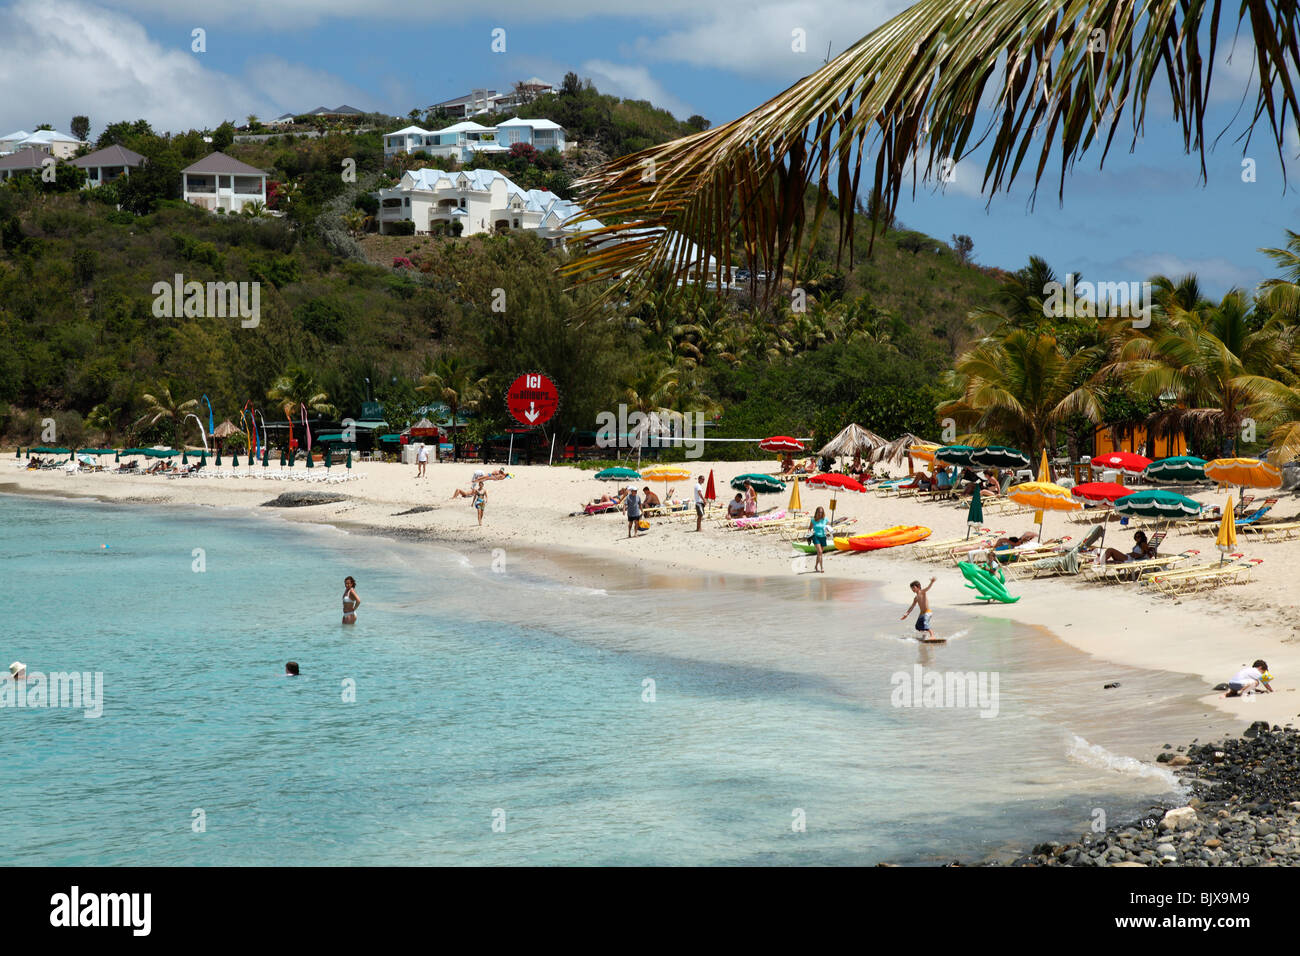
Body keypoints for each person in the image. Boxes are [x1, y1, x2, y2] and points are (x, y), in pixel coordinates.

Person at [808, 506, 830, 573]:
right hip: (816, 537)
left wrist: (828, 532)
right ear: (816, 512)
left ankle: (816, 566)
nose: (820, 513)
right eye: (819, 512)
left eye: (821, 512)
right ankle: (822, 567)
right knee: (820, 552)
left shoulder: (825, 519)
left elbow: (828, 527)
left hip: (823, 537)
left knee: (819, 553)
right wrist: (809, 533)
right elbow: (809, 528)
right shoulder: (813, 520)